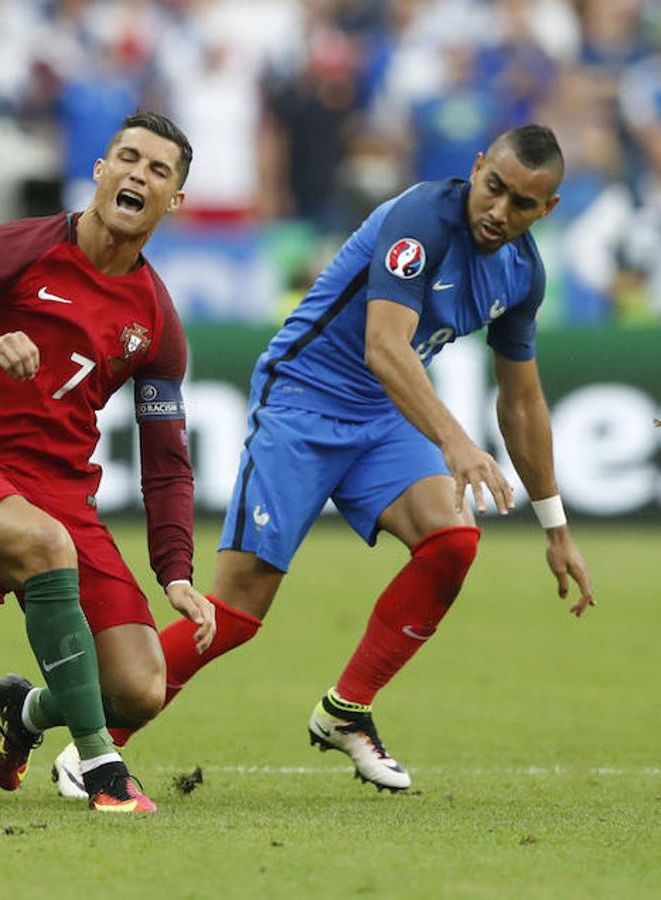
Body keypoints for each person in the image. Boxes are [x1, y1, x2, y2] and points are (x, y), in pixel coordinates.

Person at [57, 124, 597, 795]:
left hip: (381, 416)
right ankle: (96, 746)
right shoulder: (420, 218)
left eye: (522, 204)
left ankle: (347, 710)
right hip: (303, 400)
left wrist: (556, 528)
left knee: (452, 540)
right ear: (478, 167)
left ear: (548, 209)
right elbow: (385, 346)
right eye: (495, 188)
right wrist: (456, 441)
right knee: (235, 611)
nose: (499, 212)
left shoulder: (523, 273)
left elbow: (523, 403)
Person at [0, 112, 224, 814]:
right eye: (127, 158)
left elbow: (166, 461)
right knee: (45, 544)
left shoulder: (156, 322)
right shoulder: (18, 248)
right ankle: (103, 771)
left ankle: (26, 714)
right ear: (99, 171)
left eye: (158, 171)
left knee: (141, 687)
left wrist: (177, 572)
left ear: (174, 202)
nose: (138, 175)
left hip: (62, 495)